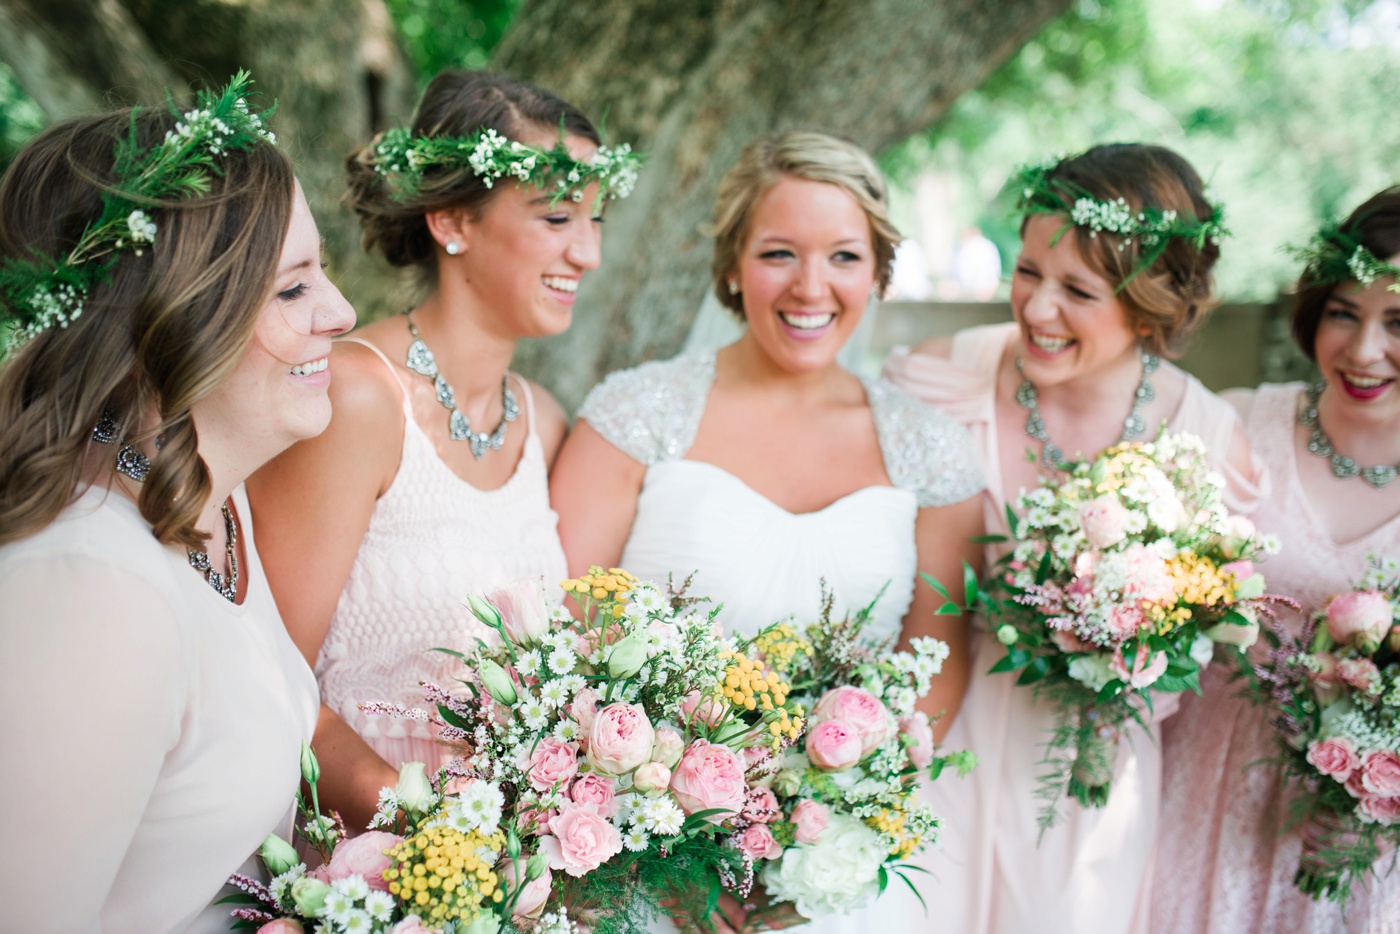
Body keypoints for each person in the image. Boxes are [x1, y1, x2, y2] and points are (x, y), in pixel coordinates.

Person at [550, 130, 986, 932]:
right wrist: (664, 852)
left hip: (832, 879)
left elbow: (938, 674)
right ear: (730, 265)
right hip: (642, 866)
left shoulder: (932, 450)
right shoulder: (637, 416)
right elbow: (559, 628)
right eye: (779, 253)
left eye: (845, 257)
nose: (811, 287)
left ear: (880, 271)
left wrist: (817, 840)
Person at [0, 76, 355, 930]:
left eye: (323, 273)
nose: (342, 313)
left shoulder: (209, 508)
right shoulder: (90, 591)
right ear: (169, 320)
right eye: (292, 289)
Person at [882, 143, 1265, 934]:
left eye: (1077, 290)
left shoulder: (1206, 437)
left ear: (1149, 304)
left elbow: (1207, 638)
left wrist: (1123, 635)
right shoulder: (936, 378)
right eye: (1027, 272)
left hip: (1087, 782)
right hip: (936, 735)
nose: (1036, 309)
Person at [248, 70, 641, 829]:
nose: (588, 253)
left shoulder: (545, 423)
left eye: (596, 220)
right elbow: (266, 677)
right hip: (362, 858)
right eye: (559, 217)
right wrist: (439, 836)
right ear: (453, 221)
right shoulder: (359, 399)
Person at [1153, 188, 1400, 933]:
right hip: (1205, 789)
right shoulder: (1232, 426)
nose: (1362, 352)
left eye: (1398, 322)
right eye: (1342, 313)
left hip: (1355, 843)